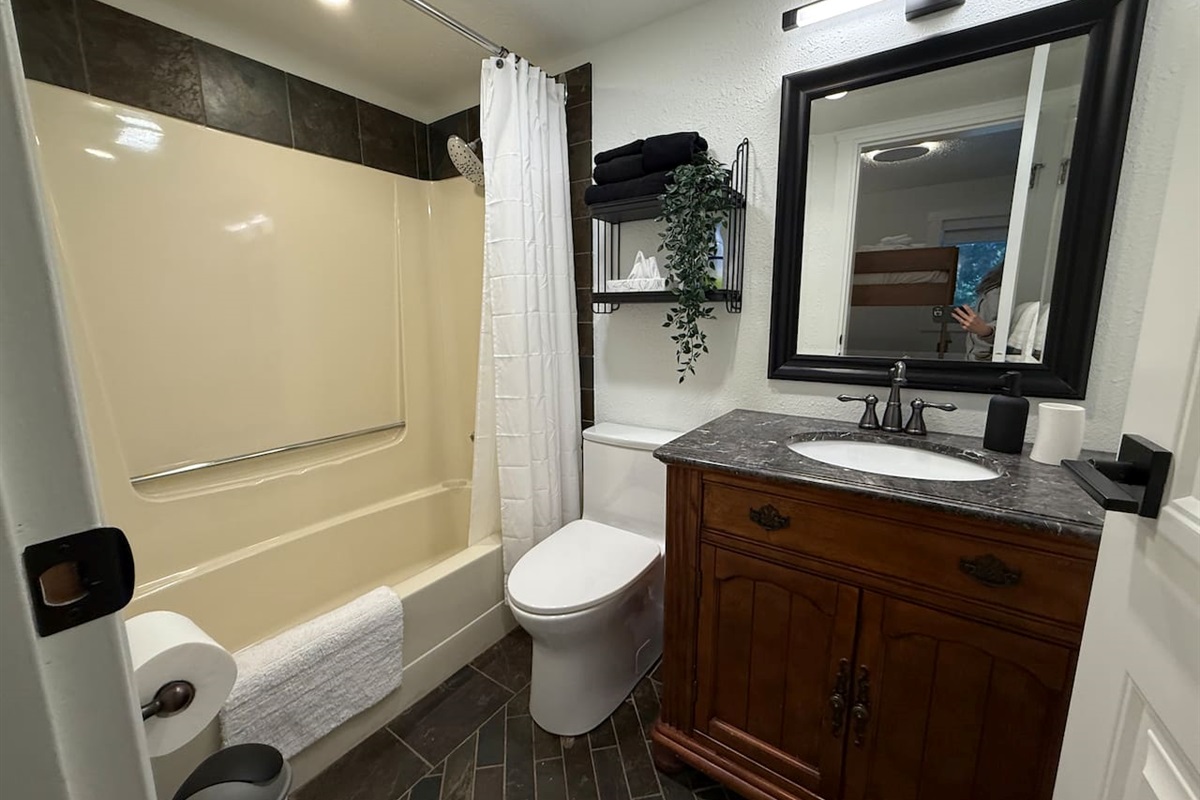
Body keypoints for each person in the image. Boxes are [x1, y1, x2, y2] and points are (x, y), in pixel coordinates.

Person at [952, 264, 1003, 361]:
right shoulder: (991, 287)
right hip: (975, 356)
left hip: (985, 359)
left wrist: (987, 331)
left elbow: (1007, 326)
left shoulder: (1001, 291)